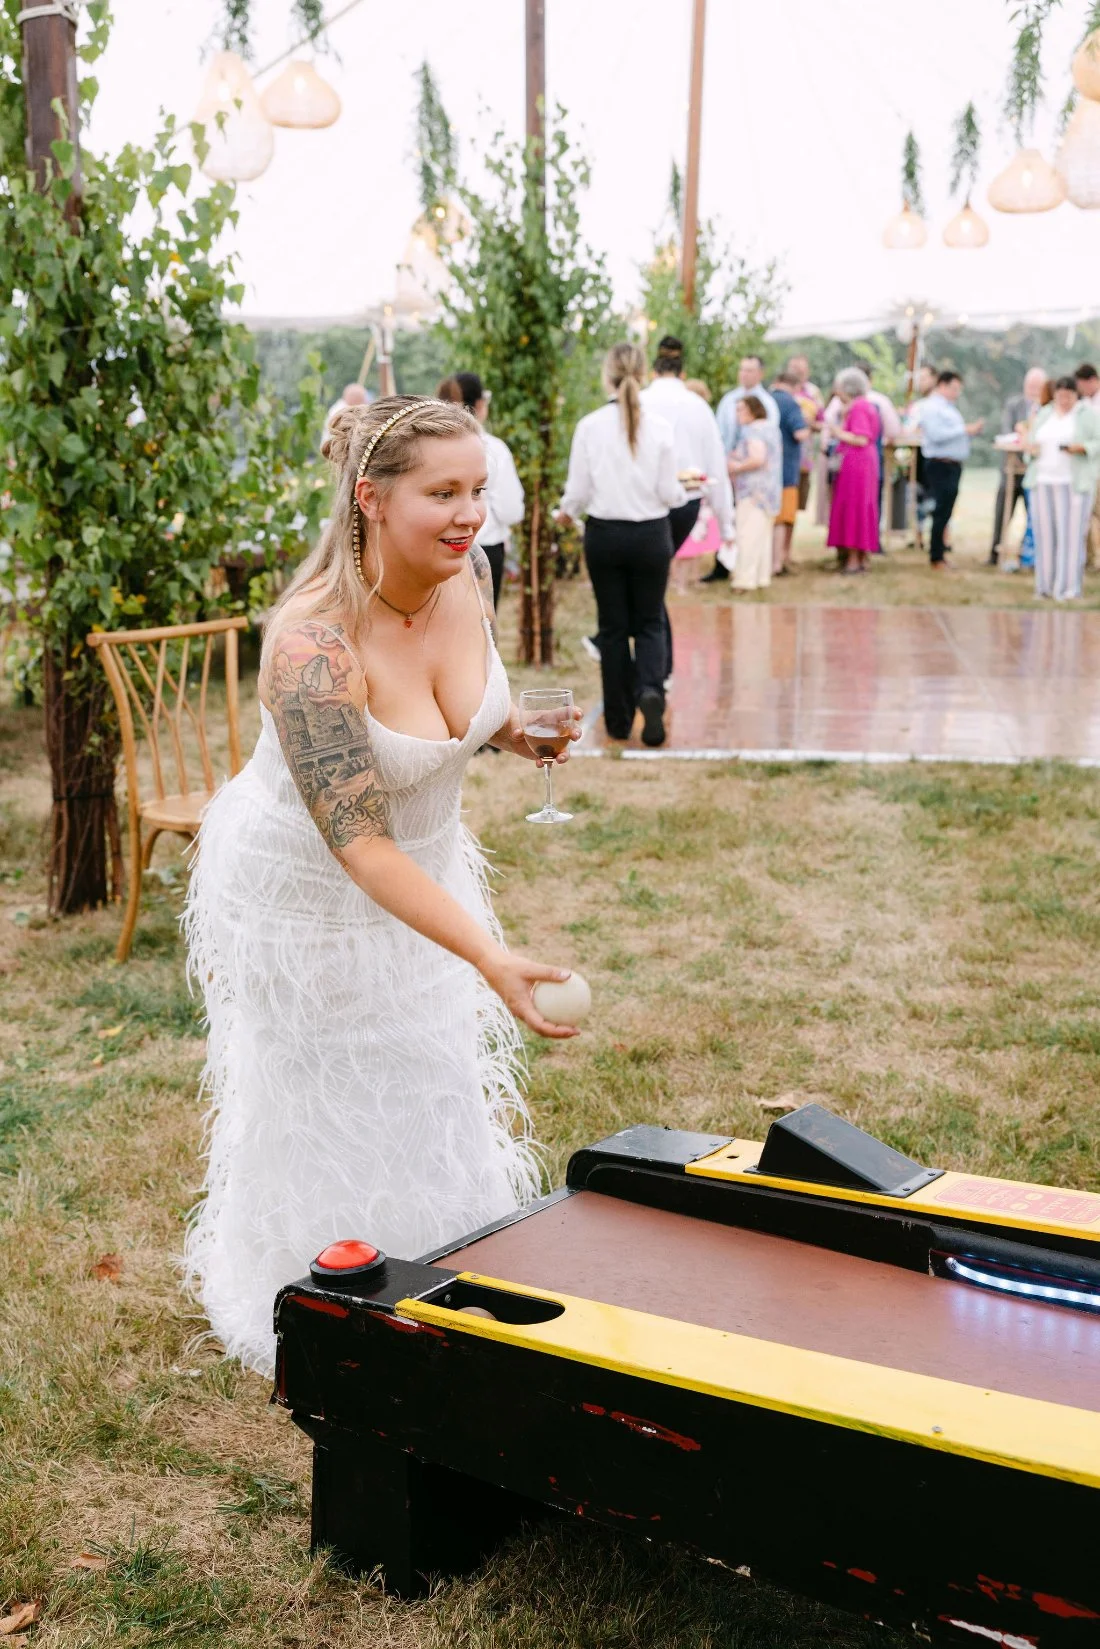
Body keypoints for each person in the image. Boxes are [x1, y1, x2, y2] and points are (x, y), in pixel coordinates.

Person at [183, 395, 581, 1376]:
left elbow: (448, 714)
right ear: (369, 497)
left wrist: (512, 731)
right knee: (330, 1097)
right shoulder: (310, 647)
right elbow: (361, 846)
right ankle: (320, 1296)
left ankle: (442, 1269)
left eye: (477, 489)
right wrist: (488, 953)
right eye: (441, 492)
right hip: (307, 898)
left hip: (426, 870)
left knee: (429, 1070)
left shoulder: (466, 573)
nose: (469, 514)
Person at [558, 342, 685, 747]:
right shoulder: (661, 428)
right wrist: (683, 493)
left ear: (607, 376)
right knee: (649, 622)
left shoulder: (590, 426)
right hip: (651, 535)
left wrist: (565, 512)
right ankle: (651, 689)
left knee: (612, 629)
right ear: (643, 374)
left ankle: (616, 719)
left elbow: (577, 490)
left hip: (605, 537)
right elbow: (670, 492)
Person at [437, 372, 524, 609]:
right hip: (484, 551)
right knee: (483, 628)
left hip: (436, 546)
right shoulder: (493, 449)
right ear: (480, 404)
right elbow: (511, 511)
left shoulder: (429, 447)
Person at [1025, 375, 1100, 601]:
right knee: (1045, 534)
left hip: (1073, 482)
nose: (1064, 400)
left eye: (1069, 396)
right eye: (1060, 396)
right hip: (1043, 479)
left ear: (1076, 396)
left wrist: (1081, 447)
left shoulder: (1086, 415)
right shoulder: (1045, 413)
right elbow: (1031, 440)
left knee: (1071, 535)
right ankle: (1045, 586)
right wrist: (1032, 450)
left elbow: (1097, 441)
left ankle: (1068, 588)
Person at [704, 357, 778, 582]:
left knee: (750, 527)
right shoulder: (728, 400)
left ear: (760, 374)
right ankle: (723, 564)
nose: (744, 374)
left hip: (753, 481)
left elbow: (762, 450)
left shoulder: (766, 405)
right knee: (727, 517)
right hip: (730, 471)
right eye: (742, 369)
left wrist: (737, 465)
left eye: (750, 370)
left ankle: (746, 574)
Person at [916, 370, 984, 569]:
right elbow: (936, 435)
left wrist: (969, 433)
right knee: (940, 511)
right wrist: (965, 430)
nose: (957, 393)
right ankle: (936, 555)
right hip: (939, 465)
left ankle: (940, 552)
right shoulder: (931, 407)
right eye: (954, 388)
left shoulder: (949, 408)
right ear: (942, 386)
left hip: (952, 464)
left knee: (946, 511)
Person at [824, 368, 882, 575]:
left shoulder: (858, 407)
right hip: (863, 462)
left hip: (857, 464)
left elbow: (861, 438)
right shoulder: (866, 406)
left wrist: (836, 432)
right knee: (860, 506)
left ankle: (854, 560)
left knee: (854, 508)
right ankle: (859, 557)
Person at [990, 367, 1047, 565]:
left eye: (1037, 386)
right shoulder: (1014, 405)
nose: (1033, 389)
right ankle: (994, 552)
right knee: (1002, 512)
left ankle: (1028, 556)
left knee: (1035, 515)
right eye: (1030, 385)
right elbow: (1006, 430)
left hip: (1035, 472)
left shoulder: (1048, 409)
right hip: (1011, 470)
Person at [728, 395, 781, 592]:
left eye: (741, 409)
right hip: (770, 491)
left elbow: (757, 458)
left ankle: (744, 579)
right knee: (762, 536)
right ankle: (760, 576)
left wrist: (736, 466)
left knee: (747, 535)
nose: (738, 414)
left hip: (753, 491)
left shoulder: (753, 431)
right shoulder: (771, 428)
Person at [769, 367, 808, 575]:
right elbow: (800, 433)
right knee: (782, 519)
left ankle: (765, 561)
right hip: (785, 470)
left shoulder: (764, 399)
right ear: (795, 387)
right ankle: (778, 562)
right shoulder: (791, 403)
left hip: (763, 471)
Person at [1075, 363, 1100, 568]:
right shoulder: (1081, 404)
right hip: (1085, 467)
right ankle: (1089, 558)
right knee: (1086, 513)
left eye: (1082, 384)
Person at [322, 381, 368, 450]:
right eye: (362, 399)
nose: (364, 402)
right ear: (354, 399)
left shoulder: (344, 408)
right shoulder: (340, 412)